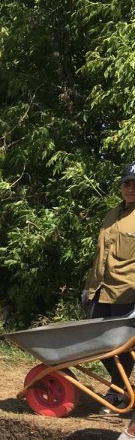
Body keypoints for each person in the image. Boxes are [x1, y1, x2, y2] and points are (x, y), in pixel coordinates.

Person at [83, 162, 135, 413]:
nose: (131, 188)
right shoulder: (111, 215)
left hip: (127, 291)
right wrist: (88, 287)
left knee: (120, 347)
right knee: (98, 345)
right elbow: (100, 255)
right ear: (121, 186)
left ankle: (117, 393)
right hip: (100, 290)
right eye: (127, 183)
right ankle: (124, 389)